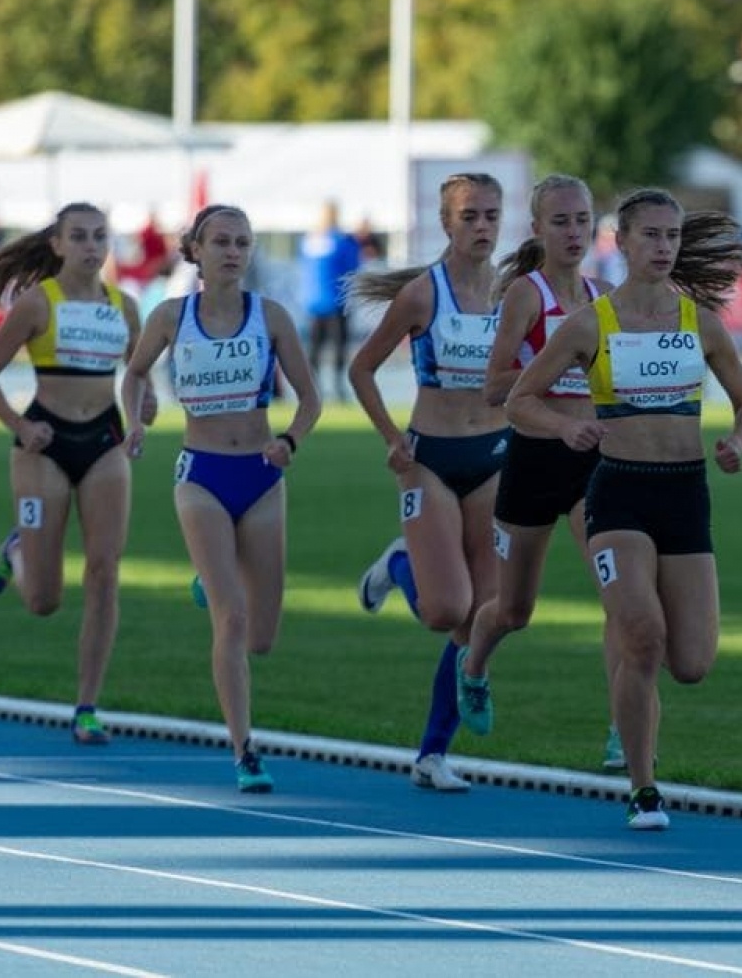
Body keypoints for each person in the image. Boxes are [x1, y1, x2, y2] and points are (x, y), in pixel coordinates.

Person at [504, 188, 742, 830]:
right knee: (642, 636)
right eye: (651, 235)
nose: (664, 247)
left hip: (684, 493)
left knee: (692, 663)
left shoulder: (698, 321)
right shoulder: (593, 323)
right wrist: (567, 431)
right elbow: (519, 399)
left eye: (672, 236)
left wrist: (738, 441)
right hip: (617, 491)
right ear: (622, 242)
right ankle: (645, 789)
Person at [386, 173, 626, 768]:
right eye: (562, 221)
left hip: (582, 465)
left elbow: (614, 385)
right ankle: (458, 641)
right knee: (502, 612)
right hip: (517, 459)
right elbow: (497, 386)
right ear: (539, 229)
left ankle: (626, 724)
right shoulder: (521, 294)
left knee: (621, 600)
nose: (575, 232)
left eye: (583, 220)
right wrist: (552, 397)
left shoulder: (603, 297)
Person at [120, 204, 321, 793]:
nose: (233, 252)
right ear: (197, 251)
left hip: (260, 475)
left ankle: (214, 576)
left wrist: (290, 440)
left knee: (262, 635)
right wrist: (135, 420)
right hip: (201, 474)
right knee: (230, 619)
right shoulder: (170, 317)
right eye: (222, 242)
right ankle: (244, 750)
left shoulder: (272, 316)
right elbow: (134, 375)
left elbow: (309, 400)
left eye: (243, 242)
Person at [346, 172, 511, 794]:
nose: (482, 227)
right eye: (469, 216)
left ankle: (432, 753)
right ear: (446, 222)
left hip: (496, 457)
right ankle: (398, 564)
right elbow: (363, 369)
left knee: (481, 618)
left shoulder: (514, 292)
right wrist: (393, 438)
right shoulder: (422, 294)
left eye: (491, 216)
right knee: (447, 609)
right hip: (431, 460)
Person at [0, 203, 154, 746]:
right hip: (43, 444)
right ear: (58, 244)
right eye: (79, 237)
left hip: (104, 443)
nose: (92, 247)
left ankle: (87, 706)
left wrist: (142, 412)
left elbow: (136, 379)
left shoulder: (126, 307)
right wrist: (20, 429)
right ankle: (15, 551)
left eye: (100, 236)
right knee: (44, 601)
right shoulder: (37, 303)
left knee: (104, 572)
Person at [299, 199, 362, 401]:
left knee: (315, 348)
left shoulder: (309, 240)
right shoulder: (342, 241)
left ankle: (312, 388)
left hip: (314, 301)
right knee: (338, 347)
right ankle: (337, 388)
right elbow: (353, 267)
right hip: (337, 301)